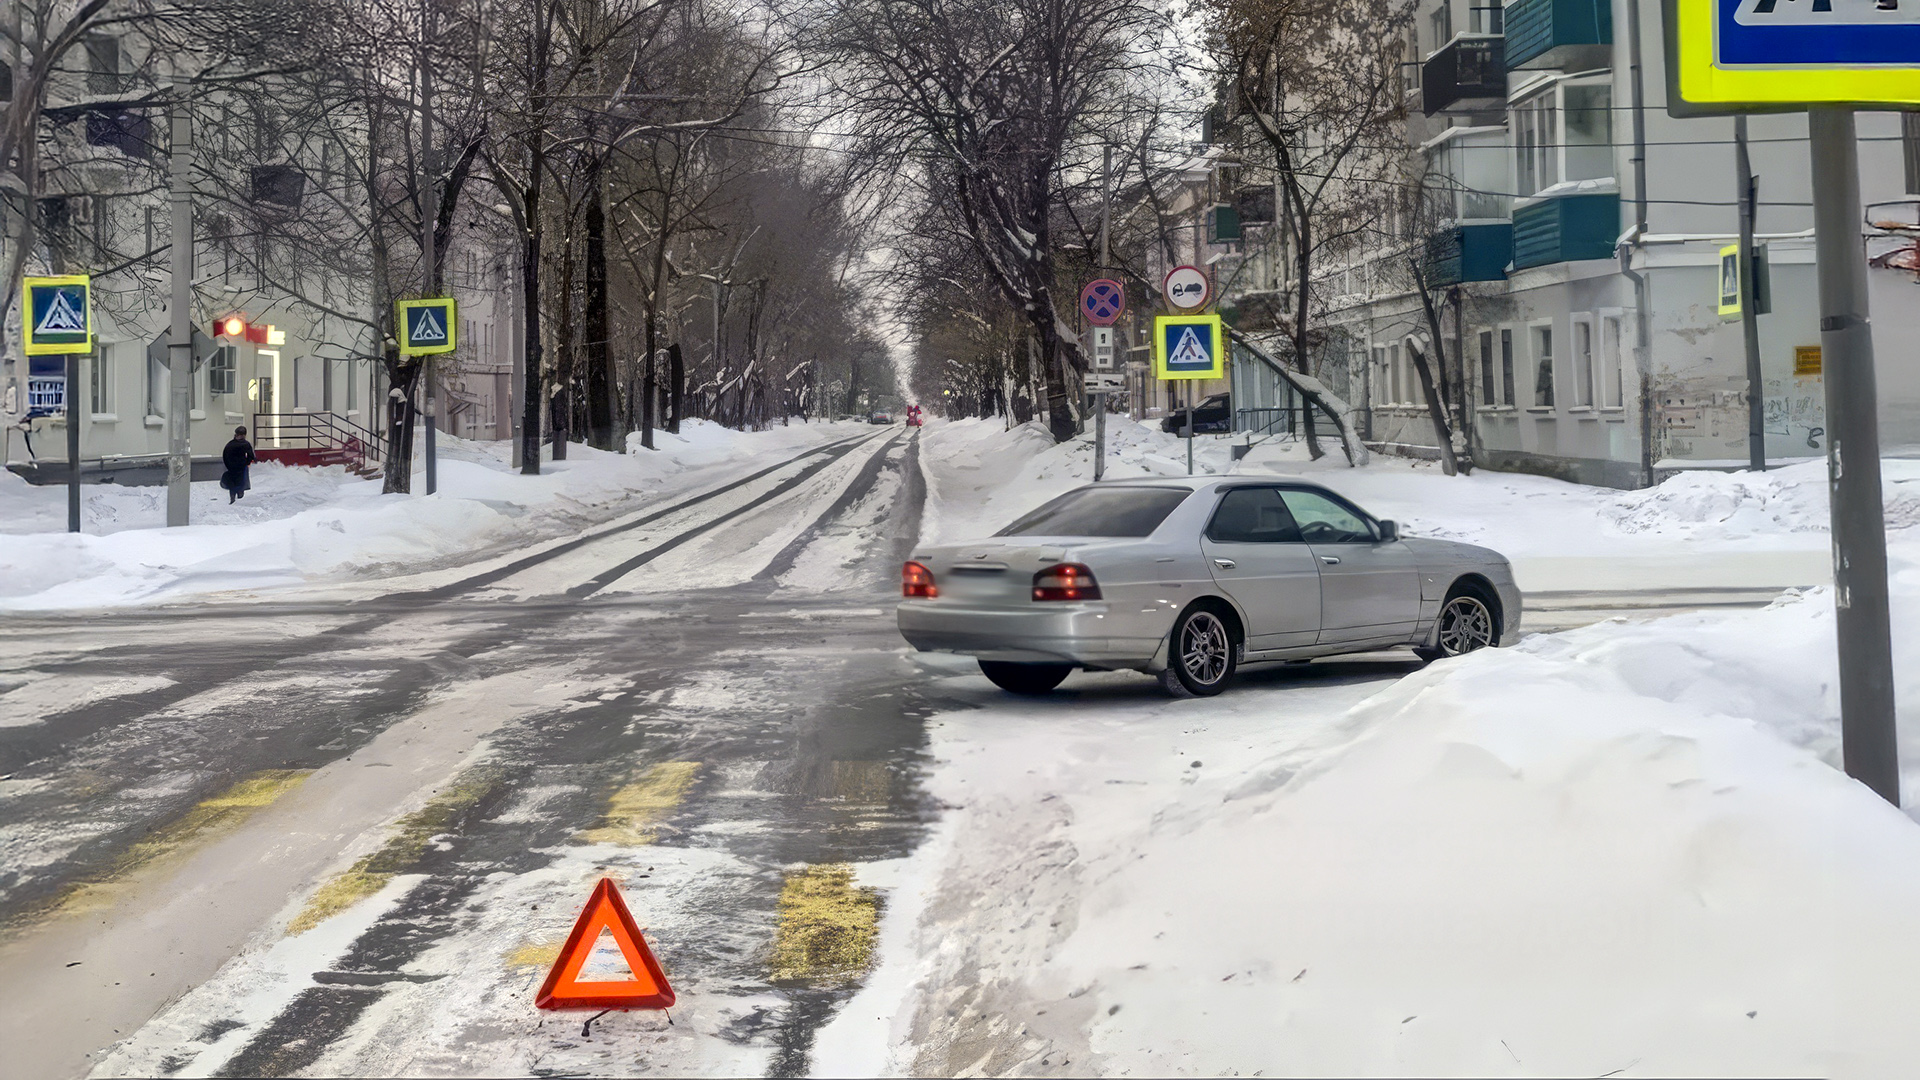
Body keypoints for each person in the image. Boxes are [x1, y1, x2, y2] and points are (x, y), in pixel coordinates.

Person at [221, 426, 257, 504]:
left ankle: (232, 497)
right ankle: (240, 495)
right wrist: (247, 463)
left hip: (231, 467)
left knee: (232, 483)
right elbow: (251, 455)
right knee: (241, 482)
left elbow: (225, 455)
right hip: (241, 466)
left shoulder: (230, 444)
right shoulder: (246, 444)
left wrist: (228, 465)